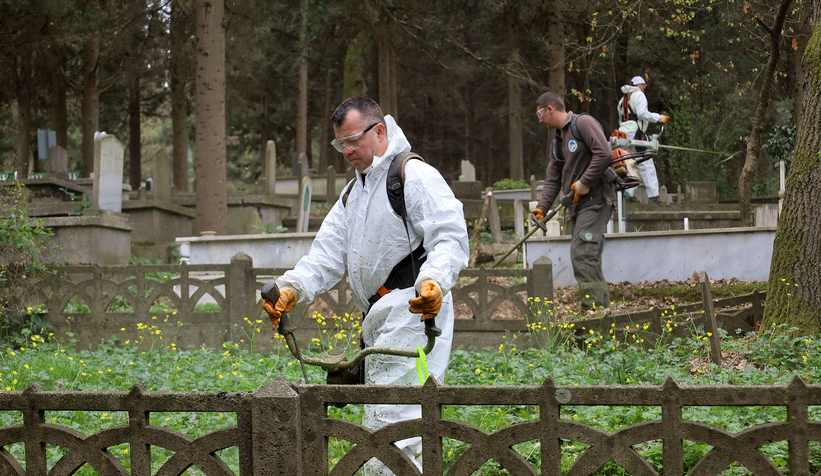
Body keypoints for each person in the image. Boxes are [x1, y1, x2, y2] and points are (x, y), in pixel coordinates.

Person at [263, 97, 469, 475]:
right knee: (388, 419)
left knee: (395, 423)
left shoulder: (413, 175)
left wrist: (434, 283)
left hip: (413, 311)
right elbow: (326, 255)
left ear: (379, 131)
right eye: (340, 144)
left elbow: (449, 237)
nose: (347, 151)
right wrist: (292, 287)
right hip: (379, 317)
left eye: (353, 140)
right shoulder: (353, 194)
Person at [530, 92, 615, 313]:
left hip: (597, 199)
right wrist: (542, 208)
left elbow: (604, 153)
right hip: (577, 206)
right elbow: (552, 180)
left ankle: (592, 315)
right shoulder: (557, 143)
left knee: (583, 254)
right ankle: (602, 314)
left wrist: (585, 182)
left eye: (540, 113)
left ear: (550, 109)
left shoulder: (582, 123)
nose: (539, 120)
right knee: (588, 257)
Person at [617, 75, 670, 203]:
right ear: (640, 85)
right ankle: (653, 196)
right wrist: (659, 118)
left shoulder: (623, 98)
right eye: (643, 87)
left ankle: (628, 194)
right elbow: (641, 113)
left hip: (623, 134)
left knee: (630, 163)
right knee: (647, 164)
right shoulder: (638, 95)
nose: (644, 89)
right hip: (636, 133)